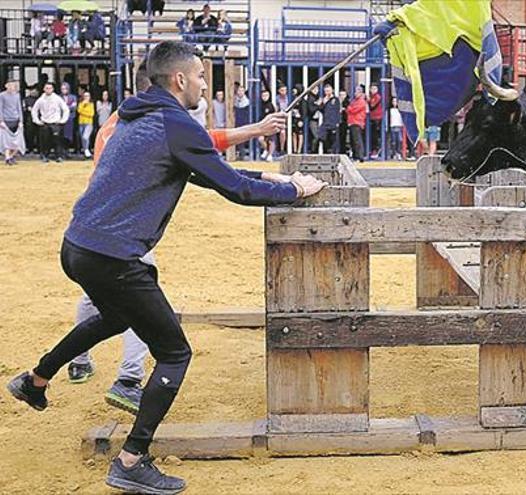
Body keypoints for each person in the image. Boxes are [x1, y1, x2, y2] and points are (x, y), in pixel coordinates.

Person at [6, 41, 327, 495]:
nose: (202, 85)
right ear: (180, 79)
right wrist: (294, 192)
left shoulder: (139, 113)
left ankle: (34, 380)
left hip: (78, 246)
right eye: (199, 77)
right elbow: (232, 189)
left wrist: (270, 178)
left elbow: (204, 171)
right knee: (175, 352)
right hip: (112, 256)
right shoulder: (177, 123)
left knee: (117, 317)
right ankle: (132, 460)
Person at [67, 63, 292, 397]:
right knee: (139, 304)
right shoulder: (161, 124)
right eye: (199, 77)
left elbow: (196, 153)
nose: (202, 85)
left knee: (97, 298)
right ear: (172, 83)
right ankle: (128, 379)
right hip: (127, 226)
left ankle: (73, 362)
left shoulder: (122, 120)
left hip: (93, 227)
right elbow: (202, 151)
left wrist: (257, 152)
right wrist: (258, 133)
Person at [31, 82, 69, 162]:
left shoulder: (57, 98)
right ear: (44, 89)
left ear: (53, 89)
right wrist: (37, 121)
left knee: (57, 141)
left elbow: (65, 109)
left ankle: (59, 156)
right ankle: (45, 156)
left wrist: (63, 120)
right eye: (47, 88)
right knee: (45, 142)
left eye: (50, 88)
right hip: (45, 123)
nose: (48, 90)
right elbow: (34, 110)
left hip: (56, 123)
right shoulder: (41, 99)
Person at [0, 80, 26, 165]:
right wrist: (1, 121)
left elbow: (19, 108)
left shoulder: (17, 95)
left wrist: (21, 121)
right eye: (10, 85)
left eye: (14, 86)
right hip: (6, 120)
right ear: (6, 86)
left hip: (16, 120)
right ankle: (7, 158)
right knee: (6, 141)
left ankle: (11, 156)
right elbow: (0, 108)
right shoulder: (2, 95)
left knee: (18, 141)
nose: (12, 87)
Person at [347, 84, 367, 161]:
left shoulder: (361, 101)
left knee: (357, 140)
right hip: (353, 122)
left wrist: (348, 108)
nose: (355, 93)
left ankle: (360, 156)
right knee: (354, 140)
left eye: (357, 92)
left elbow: (352, 110)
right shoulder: (356, 101)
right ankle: (356, 156)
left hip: (357, 122)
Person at [318, 84, 340, 154]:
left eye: (328, 90)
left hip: (333, 122)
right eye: (326, 91)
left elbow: (337, 111)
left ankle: (333, 153)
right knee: (322, 136)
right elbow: (321, 110)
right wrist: (322, 103)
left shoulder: (335, 99)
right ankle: (327, 151)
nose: (327, 92)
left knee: (333, 139)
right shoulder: (324, 100)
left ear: (332, 90)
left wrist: (337, 122)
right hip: (326, 122)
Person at [258, 89, 277, 160]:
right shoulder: (259, 105)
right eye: (263, 96)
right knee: (261, 139)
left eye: (266, 95)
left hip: (271, 124)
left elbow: (274, 113)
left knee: (271, 140)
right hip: (262, 125)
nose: (265, 97)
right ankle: (266, 150)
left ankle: (270, 155)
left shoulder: (271, 105)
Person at [60, 82, 77, 157]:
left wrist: (65, 107)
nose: (64, 90)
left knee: (69, 136)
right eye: (62, 89)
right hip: (61, 119)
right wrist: (67, 107)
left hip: (70, 119)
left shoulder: (73, 97)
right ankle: (62, 152)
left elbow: (73, 107)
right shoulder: (58, 97)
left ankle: (67, 151)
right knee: (61, 136)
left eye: (65, 89)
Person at [77, 91, 95, 158]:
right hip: (81, 123)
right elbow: (79, 111)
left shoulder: (91, 104)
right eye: (85, 96)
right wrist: (84, 108)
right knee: (83, 138)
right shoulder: (81, 104)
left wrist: (83, 112)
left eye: (87, 96)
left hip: (89, 123)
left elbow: (91, 114)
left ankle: (87, 150)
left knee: (85, 137)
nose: (86, 97)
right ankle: (86, 151)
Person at [368, 83, 383, 159]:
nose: (373, 90)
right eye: (372, 89)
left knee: (375, 135)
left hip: (377, 118)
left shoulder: (377, 97)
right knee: (373, 135)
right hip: (372, 118)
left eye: (374, 89)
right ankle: (373, 149)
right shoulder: (371, 97)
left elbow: (372, 106)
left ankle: (376, 149)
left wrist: (368, 101)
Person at [275, 85, 289, 152]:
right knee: (282, 132)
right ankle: (281, 149)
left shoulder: (288, 98)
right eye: (282, 90)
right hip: (280, 117)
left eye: (285, 90)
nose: (284, 92)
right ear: (279, 91)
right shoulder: (277, 98)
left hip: (288, 117)